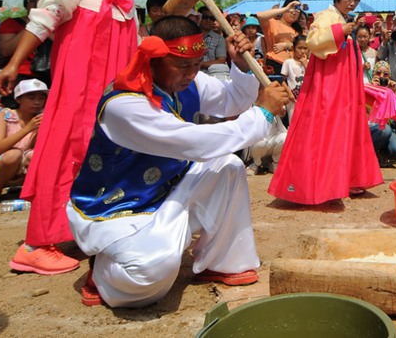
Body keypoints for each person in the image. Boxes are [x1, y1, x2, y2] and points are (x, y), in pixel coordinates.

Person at [66, 16, 288, 308]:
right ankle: (104, 271)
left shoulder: (187, 81)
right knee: (148, 278)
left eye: (197, 65)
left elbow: (230, 101)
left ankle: (221, 261)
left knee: (228, 166)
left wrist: (242, 66)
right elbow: (197, 143)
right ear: (154, 59)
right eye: (183, 65)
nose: (192, 74)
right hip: (119, 210)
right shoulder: (125, 104)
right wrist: (264, 113)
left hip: (164, 190)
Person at [0, 0, 140, 275]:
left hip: (110, 92)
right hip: (77, 87)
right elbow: (43, 21)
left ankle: (81, 228)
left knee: (103, 154)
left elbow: (134, 44)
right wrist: (14, 63)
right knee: (63, 152)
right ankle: (34, 245)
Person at [268, 0, 383, 204]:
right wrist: (341, 31)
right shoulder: (326, 16)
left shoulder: (343, 18)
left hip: (344, 83)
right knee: (326, 127)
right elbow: (313, 42)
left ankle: (345, 179)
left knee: (344, 126)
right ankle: (318, 184)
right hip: (328, 83)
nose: (352, 3)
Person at [0, 79, 47, 205]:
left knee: (37, 154)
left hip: (25, 167)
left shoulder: (43, 118)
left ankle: (33, 191)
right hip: (0, 166)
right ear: (18, 99)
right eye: (31, 97)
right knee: (14, 154)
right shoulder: (4, 116)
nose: (37, 102)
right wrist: (27, 129)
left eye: (41, 98)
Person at [0, 0, 48, 85]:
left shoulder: (53, 26)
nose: (37, 5)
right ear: (26, 3)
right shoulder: (11, 23)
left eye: (42, 1)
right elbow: (5, 51)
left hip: (47, 74)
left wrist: (45, 23)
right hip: (19, 74)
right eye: (32, 1)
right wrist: (32, 26)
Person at [368, 60, 396, 167]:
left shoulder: (390, 91)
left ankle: (382, 153)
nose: (382, 76)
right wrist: (373, 87)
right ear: (373, 74)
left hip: (385, 130)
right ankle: (368, 155)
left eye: (385, 74)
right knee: (385, 129)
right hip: (368, 129)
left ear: (389, 77)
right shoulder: (367, 87)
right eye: (378, 73)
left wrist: (395, 92)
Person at [257, 0, 301, 76]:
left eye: (298, 9)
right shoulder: (273, 23)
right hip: (276, 63)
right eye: (292, 8)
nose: (294, 12)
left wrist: (287, 45)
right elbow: (260, 16)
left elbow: (304, 47)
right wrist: (285, 9)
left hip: (294, 66)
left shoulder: (299, 30)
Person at [280, 34, 308, 121]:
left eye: (305, 48)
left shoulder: (309, 63)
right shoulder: (288, 63)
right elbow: (282, 80)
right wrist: (289, 93)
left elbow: (313, 78)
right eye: (299, 48)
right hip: (293, 99)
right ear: (293, 48)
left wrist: (305, 65)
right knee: (293, 120)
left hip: (306, 97)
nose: (302, 51)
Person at [197, 6, 228, 81]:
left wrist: (197, 64)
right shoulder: (190, 35)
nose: (208, 20)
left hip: (211, 78)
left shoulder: (219, 39)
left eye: (211, 18)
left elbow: (221, 61)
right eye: (205, 17)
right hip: (191, 76)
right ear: (199, 18)